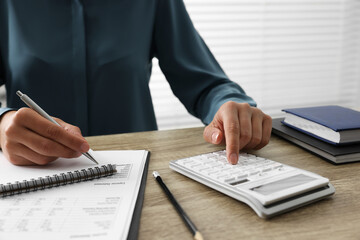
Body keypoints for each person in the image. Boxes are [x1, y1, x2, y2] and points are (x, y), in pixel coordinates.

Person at [0, 0, 272, 166]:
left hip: (137, 174)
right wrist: (1, 122)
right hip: (35, 177)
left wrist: (231, 107)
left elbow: (205, 84)